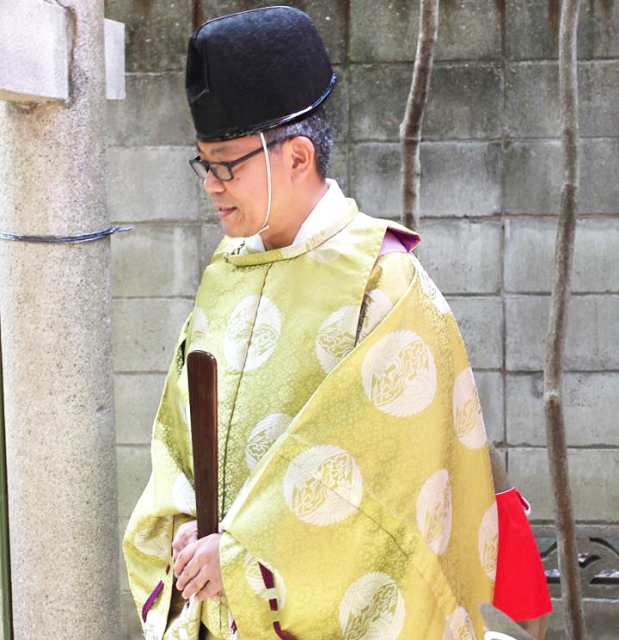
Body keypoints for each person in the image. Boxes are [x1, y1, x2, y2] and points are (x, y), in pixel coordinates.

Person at [123, 7, 550, 639]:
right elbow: (178, 436)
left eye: (227, 165)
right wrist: (188, 527)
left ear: (296, 156)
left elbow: (385, 493)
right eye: (203, 165)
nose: (211, 186)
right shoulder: (226, 271)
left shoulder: (384, 285)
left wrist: (243, 555)